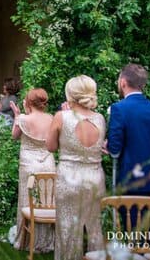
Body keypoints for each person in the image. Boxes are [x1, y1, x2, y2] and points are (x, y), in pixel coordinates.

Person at [46, 75, 106, 260]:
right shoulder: (100, 118)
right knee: (94, 226)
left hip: (69, 178)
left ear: (70, 95)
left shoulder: (61, 117)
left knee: (68, 227)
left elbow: (51, 146)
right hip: (95, 178)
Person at [108, 64, 150, 198]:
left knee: (131, 219)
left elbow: (115, 150)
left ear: (123, 82)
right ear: (143, 85)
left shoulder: (119, 108)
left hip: (131, 181)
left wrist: (109, 146)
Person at [10, 88, 55, 252]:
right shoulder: (51, 118)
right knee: (46, 200)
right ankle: (46, 240)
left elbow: (14, 136)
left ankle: (28, 239)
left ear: (28, 102)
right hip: (48, 162)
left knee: (27, 199)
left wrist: (17, 115)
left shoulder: (23, 119)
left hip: (29, 164)